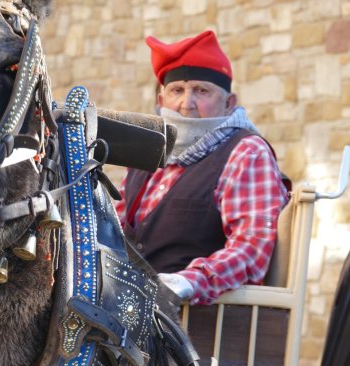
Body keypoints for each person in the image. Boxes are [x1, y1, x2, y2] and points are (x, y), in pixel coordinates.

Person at [115, 30, 289, 306]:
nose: (187, 104)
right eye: (177, 91)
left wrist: (189, 282)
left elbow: (251, 247)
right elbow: (113, 231)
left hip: (200, 330)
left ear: (229, 103)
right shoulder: (147, 153)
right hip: (132, 319)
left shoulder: (246, 151)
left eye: (202, 90)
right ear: (161, 102)